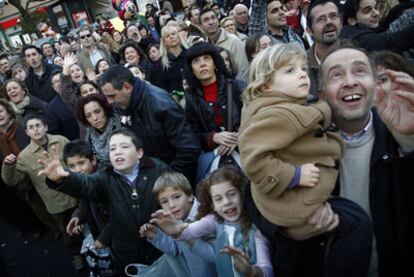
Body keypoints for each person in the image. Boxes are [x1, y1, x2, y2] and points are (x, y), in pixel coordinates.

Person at [238, 43, 373, 276]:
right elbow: (253, 165)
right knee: (357, 222)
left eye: (303, 68)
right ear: (267, 84)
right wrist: (294, 175)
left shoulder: (396, 136)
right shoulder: (279, 114)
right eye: (290, 70)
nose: (301, 74)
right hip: (298, 217)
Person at [319, 45, 414, 276]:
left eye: (360, 71)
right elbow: (257, 197)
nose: (350, 81)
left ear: (374, 84)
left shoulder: (398, 137)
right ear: (321, 94)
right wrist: (290, 226)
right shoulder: (302, 142)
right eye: (336, 74)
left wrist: (410, 139)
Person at [39, 128, 168, 274]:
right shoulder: (104, 177)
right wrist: (62, 179)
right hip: (127, 252)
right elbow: (85, 185)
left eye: (124, 147)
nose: (117, 152)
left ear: (139, 153)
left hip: (162, 245)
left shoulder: (158, 169)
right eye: (112, 149)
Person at [150, 165, 274, 277]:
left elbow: (267, 270)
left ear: (243, 194)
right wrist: (176, 232)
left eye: (232, 194)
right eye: (218, 199)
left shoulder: (256, 229)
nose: (226, 202)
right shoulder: (214, 220)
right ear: (213, 205)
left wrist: (251, 271)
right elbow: (189, 232)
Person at [1, 113, 83, 270]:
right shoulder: (24, 157)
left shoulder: (61, 140)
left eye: (38, 125)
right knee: (68, 231)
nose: (36, 129)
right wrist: (7, 166)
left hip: (76, 193)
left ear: (45, 127)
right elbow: (11, 180)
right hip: (56, 202)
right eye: (31, 127)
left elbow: (74, 162)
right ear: (27, 132)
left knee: (87, 221)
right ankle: (76, 254)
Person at [100, 65, 200, 182]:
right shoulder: (122, 104)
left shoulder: (162, 105)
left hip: (175, 178)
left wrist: (168, 178)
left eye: (112, 96)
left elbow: (189, 149)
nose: (109, 102)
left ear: (127, 87)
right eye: (106, 96)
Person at [139, 171, 217, 277]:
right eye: (164, 201)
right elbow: (176, 249)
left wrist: (186, 237)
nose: (171, 205)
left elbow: (219, 256)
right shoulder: (176, 219)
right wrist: (156, 236)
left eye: (176, 197)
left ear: (189, 195)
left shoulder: (207, 217)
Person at [63, 140, 116, 277]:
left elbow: (119, 216)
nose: (77, 170)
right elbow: (84, 203)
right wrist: (78, 216)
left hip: (117, 239)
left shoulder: (107, 181)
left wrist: (104, 238)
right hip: (100, 233)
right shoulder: (83, 181)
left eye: (81, 163)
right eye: (71, 166)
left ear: (93, 160)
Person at [183, 42, 244, 158]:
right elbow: (191, 132)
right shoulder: (191, 99)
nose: (202, 64)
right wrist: (212, 137)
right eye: (196, 61)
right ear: (191, 70)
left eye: (206, 58)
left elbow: (255, 118)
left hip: (244, 153)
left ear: (215, 63)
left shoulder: (237, 87)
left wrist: (238, 137)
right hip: (214, 158)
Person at [341, 0, 414, 51]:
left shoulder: (362, 26)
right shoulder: (351, 36)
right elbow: (389, 42)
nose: (376, 13)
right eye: (367, 11)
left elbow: (383, 24)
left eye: (376, 7)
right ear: (352, 20)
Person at [199, 8, 249, 80]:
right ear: (201, 26)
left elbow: (244, 70)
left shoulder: (233, 40)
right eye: (206, 20)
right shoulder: (205, 46)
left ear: (218, 21)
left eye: (213, 18)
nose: (211, 22)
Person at [305, 0, 343, 96]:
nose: (329, 22)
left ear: (341, 22)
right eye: (321, 19)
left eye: (333, 16)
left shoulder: (358, 57)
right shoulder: (301, 65)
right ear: (309, 30)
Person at [76, 94, 123, 167]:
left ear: (105, 109)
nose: (94, 118)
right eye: (88, 116)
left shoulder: (122, 125)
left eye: (97, 112)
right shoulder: (88, 135)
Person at [159, 25, 188, 94]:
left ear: (178, 36)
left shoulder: (190, 54)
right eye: (167, 36)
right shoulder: (161, 63)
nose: (171, 37)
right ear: (164, 42)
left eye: (173, 34)